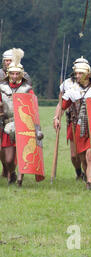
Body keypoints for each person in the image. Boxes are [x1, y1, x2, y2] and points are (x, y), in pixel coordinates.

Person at [55, 57, 91, 189]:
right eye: (76, 73)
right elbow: (62, 105)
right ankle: (90, 179)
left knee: (89, 155)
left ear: (87, 73)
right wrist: (56, 118)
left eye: (80, 73)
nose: (77, 76)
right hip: (78, 127)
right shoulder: (72, 90)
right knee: (82, 157)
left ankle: (89, 182)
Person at [0, 48, 35, 186]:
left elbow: (32, 107)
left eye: (17, 74)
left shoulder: (27, 89)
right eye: (12, 74)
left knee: (22, 154)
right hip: (7, 124)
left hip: (23, 125)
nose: (14, 76)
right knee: (8, 159)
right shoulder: (2, 88)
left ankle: (19, 179)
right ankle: (11, 173)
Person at [53, 57, 88, 181]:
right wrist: (56, 117)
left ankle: (88, 176)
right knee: (74, 155)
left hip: (87, 122)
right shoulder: (67, 84)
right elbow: (61, 103)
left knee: (85, 153)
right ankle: (79, 173)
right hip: (72, 121)